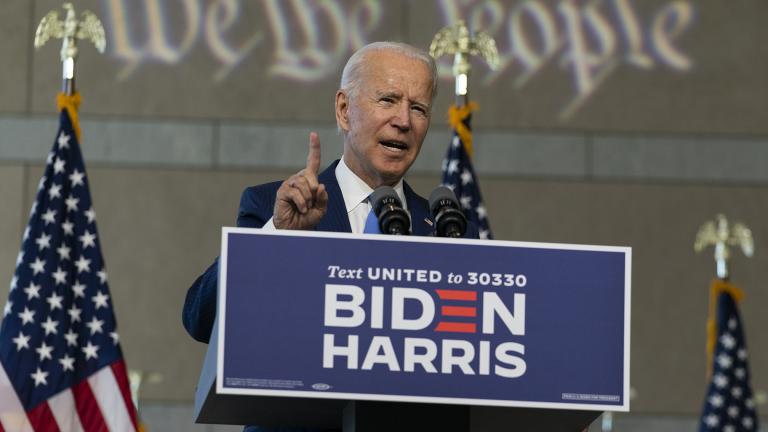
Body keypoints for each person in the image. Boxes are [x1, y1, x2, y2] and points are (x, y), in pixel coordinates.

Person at [182, 41, 478, 431]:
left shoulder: (448, 229)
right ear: (344, 109)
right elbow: (200, 319)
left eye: (418, 108)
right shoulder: (275, 208)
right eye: (388, 100)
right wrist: (276, 237)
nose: (403, 120)